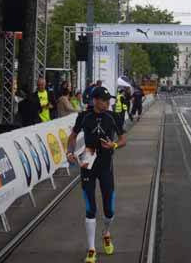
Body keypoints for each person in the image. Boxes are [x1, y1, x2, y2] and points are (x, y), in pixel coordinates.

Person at [67, 87, 127, 263]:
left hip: (105, 162)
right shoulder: (84, 116)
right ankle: (91, 248)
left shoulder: (112, 116)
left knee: (109, 210)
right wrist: (69, 152)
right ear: (95, 100)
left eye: (108, 99)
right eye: (104, 99)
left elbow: (123, 139)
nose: (108, 102)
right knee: (90, 207)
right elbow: (72, 136)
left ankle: (106, 232)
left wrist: (114, 145)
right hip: (88, 157)